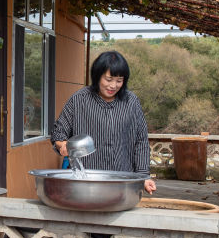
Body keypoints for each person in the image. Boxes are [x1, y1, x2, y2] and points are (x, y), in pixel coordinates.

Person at [51, 50, 157, 193]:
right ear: (97, 76)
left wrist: (144, 176)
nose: (113, 86)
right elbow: (58, 133)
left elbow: (141, 141)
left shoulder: (131, 102)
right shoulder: (79, 100)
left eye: (119, 81)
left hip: (123, 183)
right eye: (108, 79)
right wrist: (62, 144)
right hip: (86, 183)